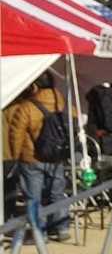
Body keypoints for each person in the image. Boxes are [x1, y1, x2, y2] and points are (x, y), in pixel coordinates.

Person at [5, 74, 72, 241]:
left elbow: (16, 134)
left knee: (34, 197)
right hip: (57, 156)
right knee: (57, 193)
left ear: (34, 85)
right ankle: (62, 228)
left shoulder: (26, 107)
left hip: (31, 158)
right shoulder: (63, 102)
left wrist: (15, 156)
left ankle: (40, 232)